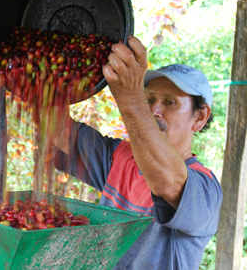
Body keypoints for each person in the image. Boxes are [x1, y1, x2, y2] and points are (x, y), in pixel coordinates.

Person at [53, 36, 223, 270]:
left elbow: (167, 184)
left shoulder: (205, 190)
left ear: (200, 117)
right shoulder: (120, 157)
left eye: (170, 102)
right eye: (149, 100)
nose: (154, 111)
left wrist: (130, 98)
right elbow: (55, 128)